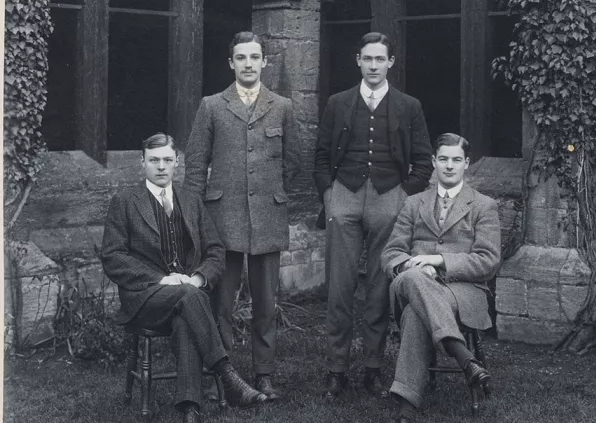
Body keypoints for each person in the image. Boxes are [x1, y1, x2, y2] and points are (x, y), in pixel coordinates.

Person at [101, 134, 267, 423]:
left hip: (188, 296)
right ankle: (227, 376)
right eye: (154, 160)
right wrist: (161, 280)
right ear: (142, 163)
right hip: (145, 299)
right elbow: (113, 257)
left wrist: (199, 279)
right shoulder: (125, 202)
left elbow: (216, 249)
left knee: (186, 314)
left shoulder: (190, 201)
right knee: (188, 298)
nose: (161, 167)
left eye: (167, 160)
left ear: (177, 162)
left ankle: (190, 409)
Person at [313, 32, 433, 399]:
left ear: (391, 63)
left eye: (380, 59)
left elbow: (424, 161)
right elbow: (319, 157)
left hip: (388, 198)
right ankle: (336, 369)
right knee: (339, 287)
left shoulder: (408, 105)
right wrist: (330, 196)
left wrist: (402, 196)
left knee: (380, 289)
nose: (374, 66)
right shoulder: (338, 102)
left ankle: (373, 368)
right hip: (344, 196)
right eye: (368, 59)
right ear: (358, 61)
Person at [183, 31, 300, 400]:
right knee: (222, 302)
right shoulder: (212, 105)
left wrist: (272, 193)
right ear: (230, 63)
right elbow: (196, 165)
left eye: (254, 57)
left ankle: (264, 374)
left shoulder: (282, 106)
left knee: (266, 302)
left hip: (268, 215)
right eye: (241, 57)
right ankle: (225, 373)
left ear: (265, 62)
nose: (248, 64)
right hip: (224, 217)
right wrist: (195, 218)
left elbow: (293, 162)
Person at [380, 133, 501, 422]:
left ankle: (407, 405)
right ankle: (464, 358)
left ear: (466, 164)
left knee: (414, 314)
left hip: (463, 290)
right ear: (434, 162)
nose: (449, 166)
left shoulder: (483, 205)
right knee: (415, 279)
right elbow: (391, 252)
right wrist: (413, 266)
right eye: (443, 159)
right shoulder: (414, 203)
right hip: (411, 279)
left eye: (456, 160)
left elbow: (488, 261)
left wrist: (440, 261)